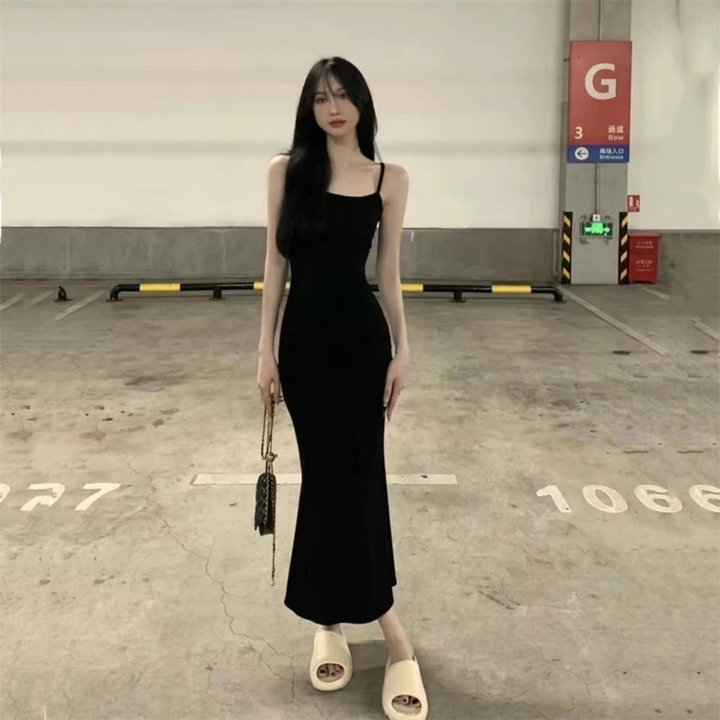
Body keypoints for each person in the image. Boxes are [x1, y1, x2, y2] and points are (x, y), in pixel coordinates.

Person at [256, 57, 428, 719]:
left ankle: (389, 631)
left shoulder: (390, 179)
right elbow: (275, 264)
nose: (333, 108)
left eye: (343, 96)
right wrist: (265, 351)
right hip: (303, 348)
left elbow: (388, 273)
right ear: (310, 108)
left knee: (359, 479)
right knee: (328, 480)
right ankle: (335, 618)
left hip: (360, 347)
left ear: (361, 104)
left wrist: (403, 349)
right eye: (322, 98)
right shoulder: (286, 172)